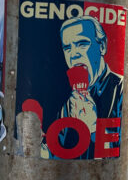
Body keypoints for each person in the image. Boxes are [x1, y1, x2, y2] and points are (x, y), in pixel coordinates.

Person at [52, 15, 123, 159]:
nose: (73, 54)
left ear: (102, 46)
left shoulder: (120, 88)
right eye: (67, 48)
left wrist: (93, 127)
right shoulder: (70, 102)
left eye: (82, 44)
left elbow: (117, 160)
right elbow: (58, 152)